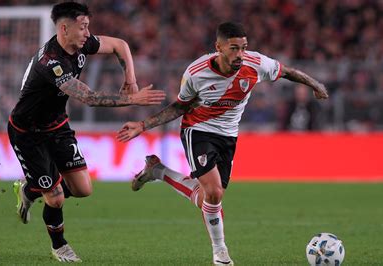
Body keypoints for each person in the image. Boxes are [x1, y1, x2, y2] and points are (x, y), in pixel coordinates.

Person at [117, 22, 328, 265]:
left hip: (228, 136)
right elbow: (180, 106)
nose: (240, 54)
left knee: (209, 199)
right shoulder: (196, 72)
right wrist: (143, 126)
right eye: (234, 48)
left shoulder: (255, 63)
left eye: (244, 48)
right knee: (214, 193)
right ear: (218, 47)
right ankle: (220, 253)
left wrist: (314, 84)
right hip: (198, 129)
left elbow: (286, 71)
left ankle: (158, 171)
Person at [8, 2, 165, 262]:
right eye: (82, 27)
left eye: (88, 27)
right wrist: (133, 99)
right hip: (27, 133)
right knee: (56, 198)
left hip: (56, 126)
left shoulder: (81, 44)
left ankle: (30, 190)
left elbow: (120, 45)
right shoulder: (52, 62)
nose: (87, 33)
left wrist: (131, 79)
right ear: (64, 28)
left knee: (82, 189)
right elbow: (89, 98)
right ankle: (60, 246)